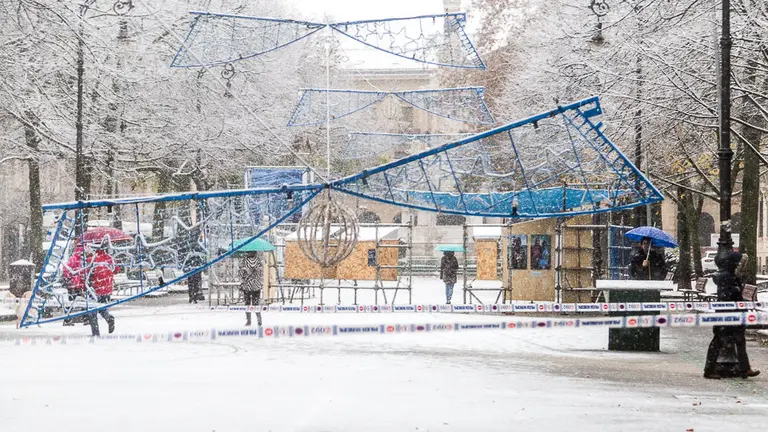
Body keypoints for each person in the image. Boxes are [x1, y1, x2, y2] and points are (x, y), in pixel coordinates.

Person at [703, 251, 760, 379]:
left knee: (739, 340)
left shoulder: (731, 276)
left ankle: (745, 368)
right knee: (718, 341)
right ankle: (709, 370)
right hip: (727, 315)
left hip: (732, 314)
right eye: (741, 264)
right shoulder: (727, 277)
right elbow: (728, 297)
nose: (743, 267)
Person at [86, 245, 118, 336]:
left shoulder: (92, 259)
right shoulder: (110, 258)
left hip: (96, 288)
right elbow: (116, 270)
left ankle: (95, 332)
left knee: (92, 310)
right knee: (101, 307)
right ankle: (108, 318)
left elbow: (87, 273)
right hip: (107, 288)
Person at [239, 251, 263, 326]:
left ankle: (248, 321)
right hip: (256, 286)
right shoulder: (259, 262)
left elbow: (240, 274)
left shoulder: (244, 262)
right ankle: (259, 321)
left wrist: (245, 270)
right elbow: (261, 273)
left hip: (247, 286)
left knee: (247, 304)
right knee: (256, 304)